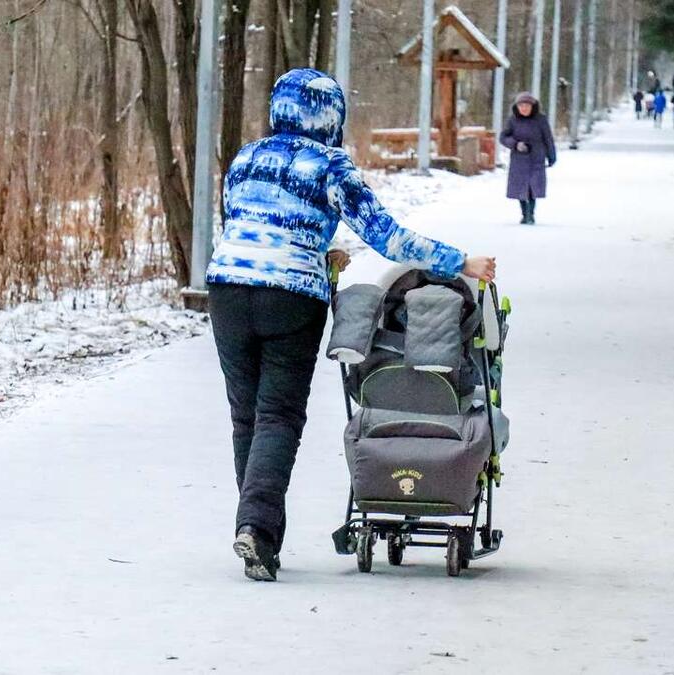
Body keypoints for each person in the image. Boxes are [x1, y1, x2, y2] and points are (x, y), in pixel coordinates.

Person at [205, 68, 497, 582]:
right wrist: (460, 262)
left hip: (227, 289)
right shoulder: (330, 165)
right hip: (290, 299)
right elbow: (388, 238)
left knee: (245, 417)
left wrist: (320, 250)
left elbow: (247, 224)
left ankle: (259, 536)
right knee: (277, 416)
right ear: (332, 117)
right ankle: (254, 528)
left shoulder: (246, 157)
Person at [499, 92, 557, 225]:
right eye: (521, 105)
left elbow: (548, 138)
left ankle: (531, 214)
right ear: (517, 107)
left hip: (536, 158)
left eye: (527, 105)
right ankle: (524, 214)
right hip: (519, 159)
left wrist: (551, 155)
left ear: (533, 106)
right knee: (520, 188)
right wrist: (515, 144)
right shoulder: (512, 120)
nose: (524, 108)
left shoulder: (541, 120)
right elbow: (503, 137)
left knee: (533, 188)